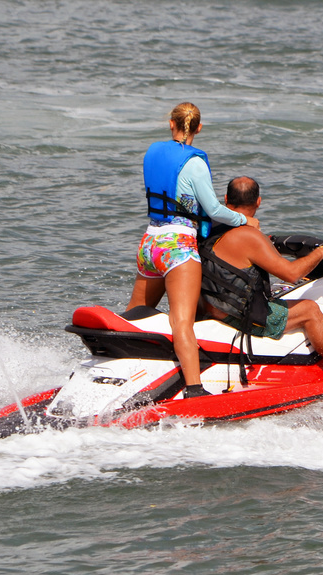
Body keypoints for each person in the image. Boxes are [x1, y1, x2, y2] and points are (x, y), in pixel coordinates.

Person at [126, 103, 258, 399]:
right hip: (179, 246)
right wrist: (245, 220)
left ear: (171, 124)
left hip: (150, 243)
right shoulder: (195, 163)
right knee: (181, 322)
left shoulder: (152, 152)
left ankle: (121, 368)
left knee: (134, 313)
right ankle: (195, 391)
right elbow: (212, 209)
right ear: (198, 128)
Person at [199, 176, 323, 377]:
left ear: (226, 198)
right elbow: (291, 274)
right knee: (310, 310)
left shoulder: (211, 225)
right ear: (258, 201)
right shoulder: (248, 235)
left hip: (210, 307)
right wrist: (322, 252)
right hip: (235, 316)